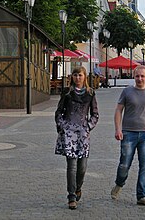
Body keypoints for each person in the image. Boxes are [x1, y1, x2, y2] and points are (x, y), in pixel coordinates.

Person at [111, 65, 145, 206]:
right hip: (128, 133)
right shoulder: (127, 91)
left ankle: (142, 195)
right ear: (134, 77)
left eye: (142, 76)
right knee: (124, 165)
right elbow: (118, 110)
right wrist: (118, 129)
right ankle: (119, 183)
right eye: (137, 76)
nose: (140, 79)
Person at [54, 66, 99, 210]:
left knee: (82, 168)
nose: (77, 78)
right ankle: (71, 196)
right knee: (71, 166)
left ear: (84, 76)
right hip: (69, 134)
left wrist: (88, 126)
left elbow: (95, 114)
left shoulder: (90, 93)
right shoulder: (67, 93)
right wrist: (63, 126)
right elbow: (59, 112)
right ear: (72, 77)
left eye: (80, 75)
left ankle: (78, 187)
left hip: (83, 134)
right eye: (75, 75)